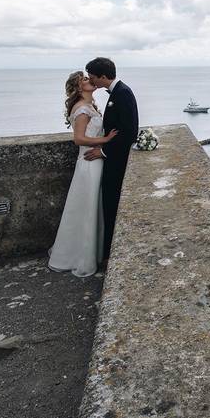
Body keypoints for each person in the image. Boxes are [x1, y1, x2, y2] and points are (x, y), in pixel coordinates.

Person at [48, 71, 119, 277]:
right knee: (87, 207)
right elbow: (79, 139)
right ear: (79, 87)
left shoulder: (89, 106)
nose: (91, 81)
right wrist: (105, 141)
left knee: (92, 207)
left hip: (95, 161)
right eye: (86, 80)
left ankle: (93, 253)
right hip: (88, 162)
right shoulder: (81, 109)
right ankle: (80, 256)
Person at [83, 57, 140, 263]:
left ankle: (110, 256)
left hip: (117, 162)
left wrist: (104, 151)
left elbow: (129, 132)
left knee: (111, 205)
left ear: (103, 76)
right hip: (112, 159)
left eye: (93, 77)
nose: (91, 81)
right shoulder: (117, 92)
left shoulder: (123, 93)